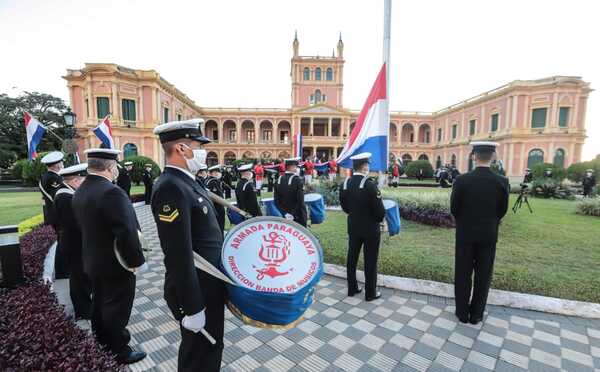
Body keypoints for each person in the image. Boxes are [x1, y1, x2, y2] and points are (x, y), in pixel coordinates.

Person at [151, 119, 225, 372]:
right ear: (182, 148)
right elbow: (177, 253)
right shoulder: (170, 186)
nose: (203, 152)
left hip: (209, 283)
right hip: (197, 289)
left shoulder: (187, 181)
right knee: (197, 355)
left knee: (211, 349)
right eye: (198, 145)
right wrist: (193, 306)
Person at [72, 148, 147, 364]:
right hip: (116, 263)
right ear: (109, 167)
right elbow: (126, 231)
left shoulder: (82, 189)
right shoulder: (111, 192)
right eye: (115, 166)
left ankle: (102, 341)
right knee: (117, 308)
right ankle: (119, 350)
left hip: (93, 259)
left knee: (99, 304)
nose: (117, 170)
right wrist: (136, 262)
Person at [450, 141, 509, 325]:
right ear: (492, 157)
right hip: (488, 235)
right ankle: (476, 314)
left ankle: (462, 312)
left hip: (465, 235)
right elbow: (502, 210)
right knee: (484, 275)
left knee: (463, 273)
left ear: (474, 156)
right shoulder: (502, 181)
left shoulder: (462, 180)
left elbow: (454, 208)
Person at [339, 152, 385, 301]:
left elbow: (345, 207)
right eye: (367, 165)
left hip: (353, 226)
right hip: (370, 228)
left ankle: (352, 288)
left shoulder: (345, 183)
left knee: (352, 257)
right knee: (370, 260)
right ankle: (370, 293)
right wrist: (378, 220)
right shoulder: (369, 184)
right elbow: (380, 212)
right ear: (365, 166)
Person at [54, 163, 92, 320]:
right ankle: (83, 311)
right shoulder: (65, 196)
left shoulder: (68, 193)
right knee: (78, 277)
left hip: (74, 242)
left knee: (81, 275)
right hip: (74, 243)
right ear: (76, 180)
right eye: (83, 180)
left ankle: (85, 306)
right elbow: (74, 224)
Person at [40, 151, 67, 278]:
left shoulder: (48, 176)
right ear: (57, 165)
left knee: (63, 242)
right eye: (61, 162)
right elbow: (59, 196)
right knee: (63, 243)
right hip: (59, 215)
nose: (62, 164)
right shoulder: (52, 178)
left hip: (56, 215)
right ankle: (62, 272)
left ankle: (63, 270)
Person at [274, 157, 307, 227]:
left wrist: (285, 213)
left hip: (284, 215)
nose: (297, 168)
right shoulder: (298, 180)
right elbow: (300, 201)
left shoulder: (278, 180)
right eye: (296, 166)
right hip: (298, 215)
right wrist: (293, 214)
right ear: (291, 167)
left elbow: (276, 201)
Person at [205, 165, 226, 232]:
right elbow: (219, 197)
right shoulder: (213, 182)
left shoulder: (208, 180)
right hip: (217, 207)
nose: (218, 173)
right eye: (217, 172)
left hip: (211, 207)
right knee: (220, 227)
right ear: (213, 173)